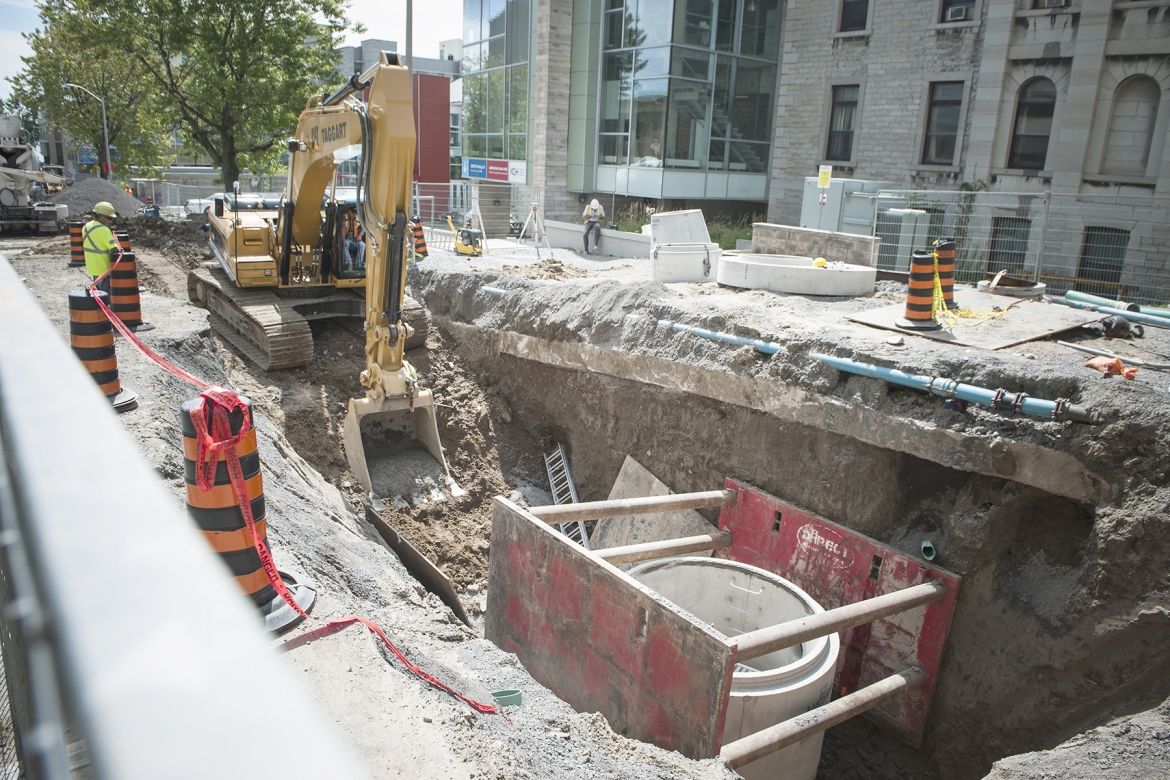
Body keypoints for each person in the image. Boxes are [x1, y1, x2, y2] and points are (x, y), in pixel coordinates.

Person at [82, 201, 121, 298]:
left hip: (92, 267)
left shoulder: (86, 227)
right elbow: (114, 250)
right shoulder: (104, 230)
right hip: (104, 268)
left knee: (99, 295)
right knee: (106, 296)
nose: (110, 221)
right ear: (100, 216)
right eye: (109, 218)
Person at [342, 207, 365, 274]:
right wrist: (343, 240)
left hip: (355, 239)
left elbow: (363, 228)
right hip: (347, 238)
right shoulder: (344, 218)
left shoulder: (358, 218)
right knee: (345, 243)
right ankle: (350, 264)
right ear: (349, 211)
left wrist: (360, 235)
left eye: (355, 213)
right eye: (352, 213)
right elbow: (342, 230)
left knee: (362, 245)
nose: (354, 214)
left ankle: (358, 266)